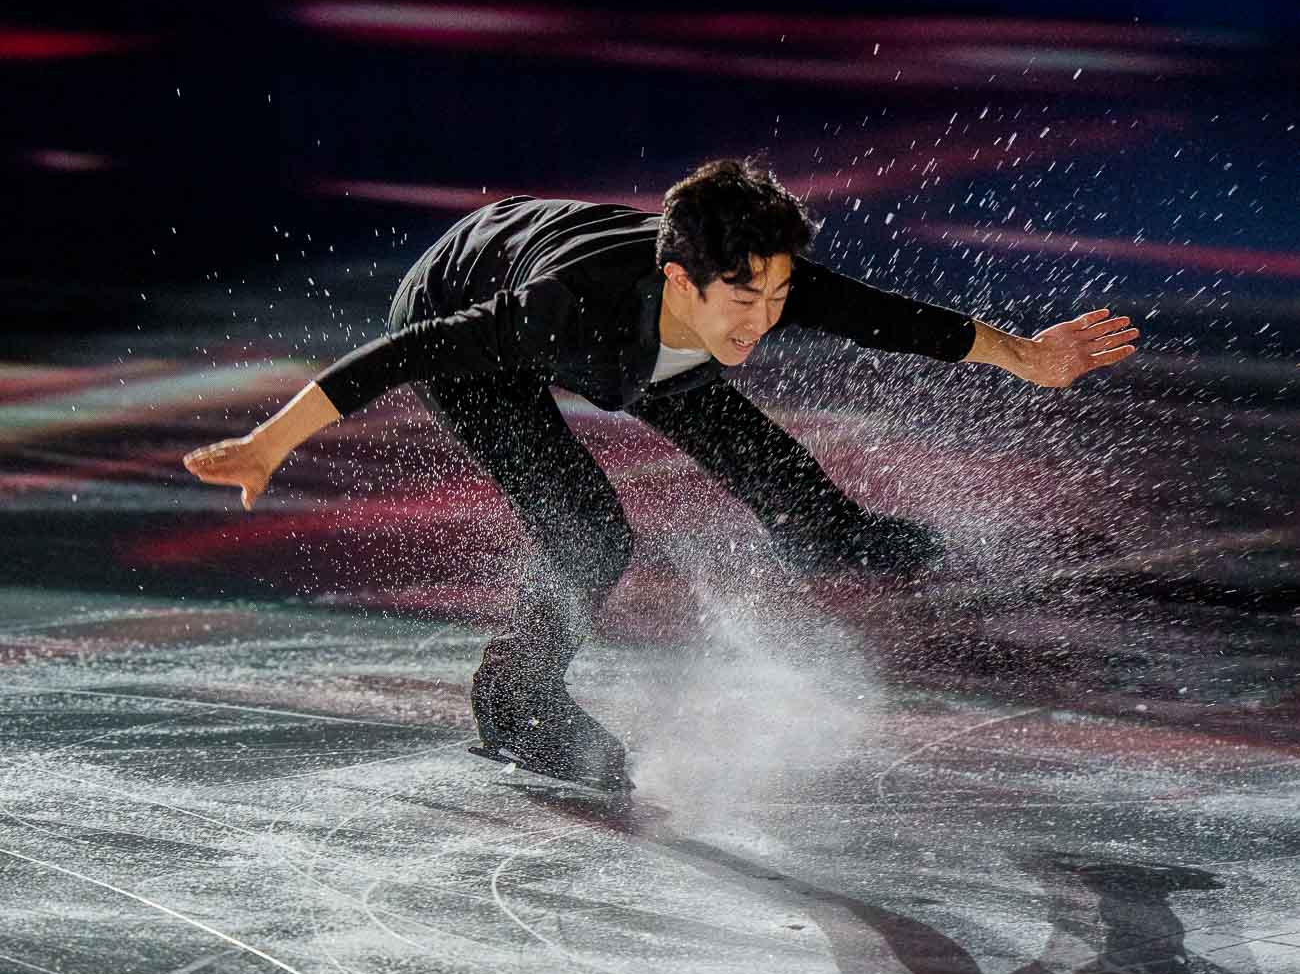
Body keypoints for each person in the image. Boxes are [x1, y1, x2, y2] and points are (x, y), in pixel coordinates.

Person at [183, 158, 1139, 788]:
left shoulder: (749, 283)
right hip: (459, 317)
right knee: (592, 532)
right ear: (684, 279)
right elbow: (398, 356)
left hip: (615, 314)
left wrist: (1032, 357)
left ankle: (827, 534)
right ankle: (517, 696)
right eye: (742, 298)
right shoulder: (567, 310)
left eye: (777, 292)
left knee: (767, 459)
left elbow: (892, 320)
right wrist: (273, 441)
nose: (763, 319)